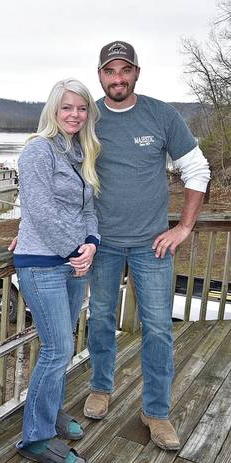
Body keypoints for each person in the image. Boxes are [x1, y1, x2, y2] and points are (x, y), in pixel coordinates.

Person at [83, 41, 211, 451]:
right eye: (109, 71)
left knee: (158, 329)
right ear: (99, 74)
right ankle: (101, 388)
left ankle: (156, 412)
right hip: (101, 243)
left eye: (124, 70)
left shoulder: (161, 115)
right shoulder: (87, 118)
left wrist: (184, 227)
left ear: (137, 72)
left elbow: (197, 168)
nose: (117, 78)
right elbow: (57, 172)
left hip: (151, 246)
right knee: (100, 317)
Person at [12, 78, 101, 463]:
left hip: (73, 264)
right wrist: (73, 250)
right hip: (43, 264)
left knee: (62, 347)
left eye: (81, 109)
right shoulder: (38, 151)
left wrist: (92, 242)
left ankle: (49, 413)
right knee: (58, 347)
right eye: (67, 108)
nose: (75, 115)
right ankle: (35, 438)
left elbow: (88, 208)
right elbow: (40, 210)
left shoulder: (81, 153)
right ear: (53, 110)